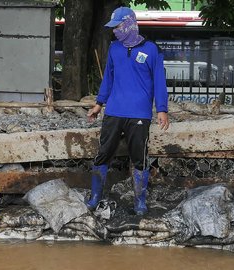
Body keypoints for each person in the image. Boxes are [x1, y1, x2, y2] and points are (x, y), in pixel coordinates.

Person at [86, 6, 169, 215]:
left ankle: (139, 202)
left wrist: (162, 109)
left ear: (130, 24)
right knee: (103, 154)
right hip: (114, 111)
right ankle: (95, 197)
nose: (114, 31)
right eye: (113, 27)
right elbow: (108, 79)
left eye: (118, 26)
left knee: (139, 159)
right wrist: (99, 104)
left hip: (139, 114)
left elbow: (160, 81)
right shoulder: (114, 48)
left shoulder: (152, 50)